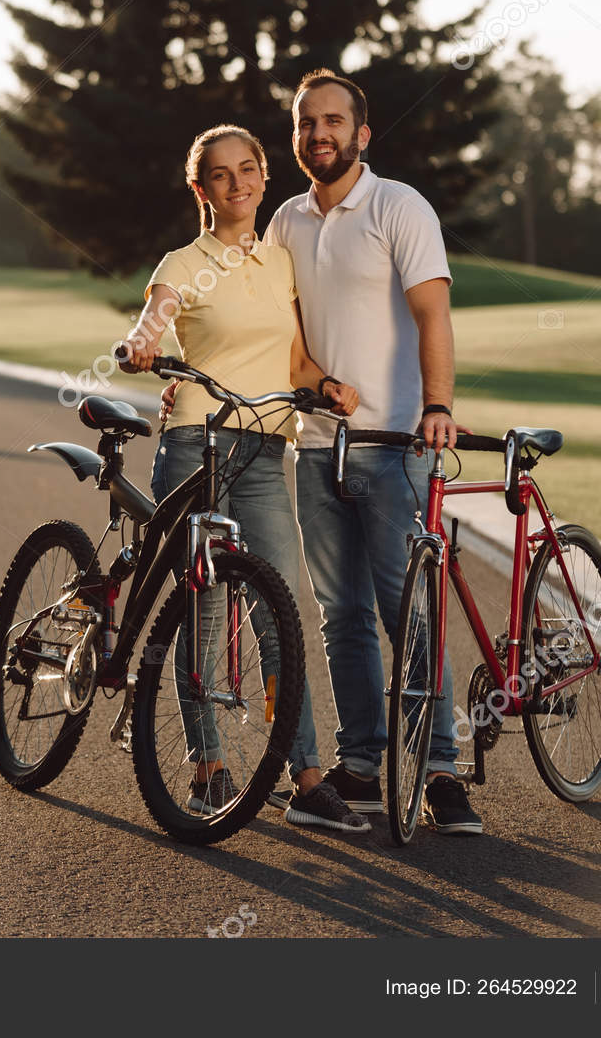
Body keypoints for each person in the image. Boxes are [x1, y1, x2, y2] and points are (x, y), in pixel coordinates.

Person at [121, 123, 367, 834]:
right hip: (196, 446)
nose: (239, 183)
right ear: (201, 189)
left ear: (264, 176)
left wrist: (330, 385)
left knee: (278, 612)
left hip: (264, 450)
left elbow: (294, 365)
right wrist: (143, 345)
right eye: (222, 174)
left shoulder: (280, 261)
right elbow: (154, 319)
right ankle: (206, 769)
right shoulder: (183, 260)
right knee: (199, 613)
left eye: (250, 169)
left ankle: (307, 778)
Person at [267, 68, 482, 835]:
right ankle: (361, 767)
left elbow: (433, 316)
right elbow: (280, 335)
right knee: (341, 617)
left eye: (332, 121)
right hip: (316, 449)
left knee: (408, 615)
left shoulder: (399, 206)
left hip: (396, 449)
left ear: (362, 132)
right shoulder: (284, 221)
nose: (317, 133)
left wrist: (437, 408)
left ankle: (443, 772)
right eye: (305, 123)